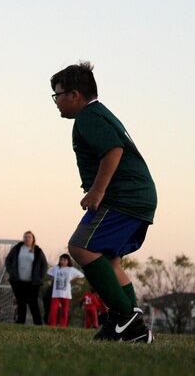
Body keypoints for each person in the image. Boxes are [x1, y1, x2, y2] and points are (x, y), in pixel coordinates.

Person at [51, 62, 156, 343]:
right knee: (110, 261)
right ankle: (136, 332)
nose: (56, 101)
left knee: (80, 246)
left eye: (57, 95)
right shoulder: (99, 114)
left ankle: (126, 317)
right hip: (139, 196)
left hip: (124, 196)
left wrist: (96, 192)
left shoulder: (89, 117)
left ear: (75, 95)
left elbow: (113, 150)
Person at [4, 230, 48, 325]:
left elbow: (44, 265)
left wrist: (39, 276)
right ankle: (20, 322)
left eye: (29, 237)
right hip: (18, 281)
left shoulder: (38, 251)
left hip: (33, 283)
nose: (27, 239)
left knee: (33, 303)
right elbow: (8, 260)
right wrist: (11, 271)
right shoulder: (17, 248)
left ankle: (38, 324)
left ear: (33, 239)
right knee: (21, 302)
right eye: (25, 237)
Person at [47, 253, 84, 327]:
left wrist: (73, 279)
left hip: (66, 294)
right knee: (53, 310)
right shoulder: (56, 268)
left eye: (64, 260)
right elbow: (48, 272)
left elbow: (81, 275)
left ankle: (63, 325)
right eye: (61, 259)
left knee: (64, 311)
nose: (62, 261)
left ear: (68, 261)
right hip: (56, 293)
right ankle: (52, 324)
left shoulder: (70, 269)